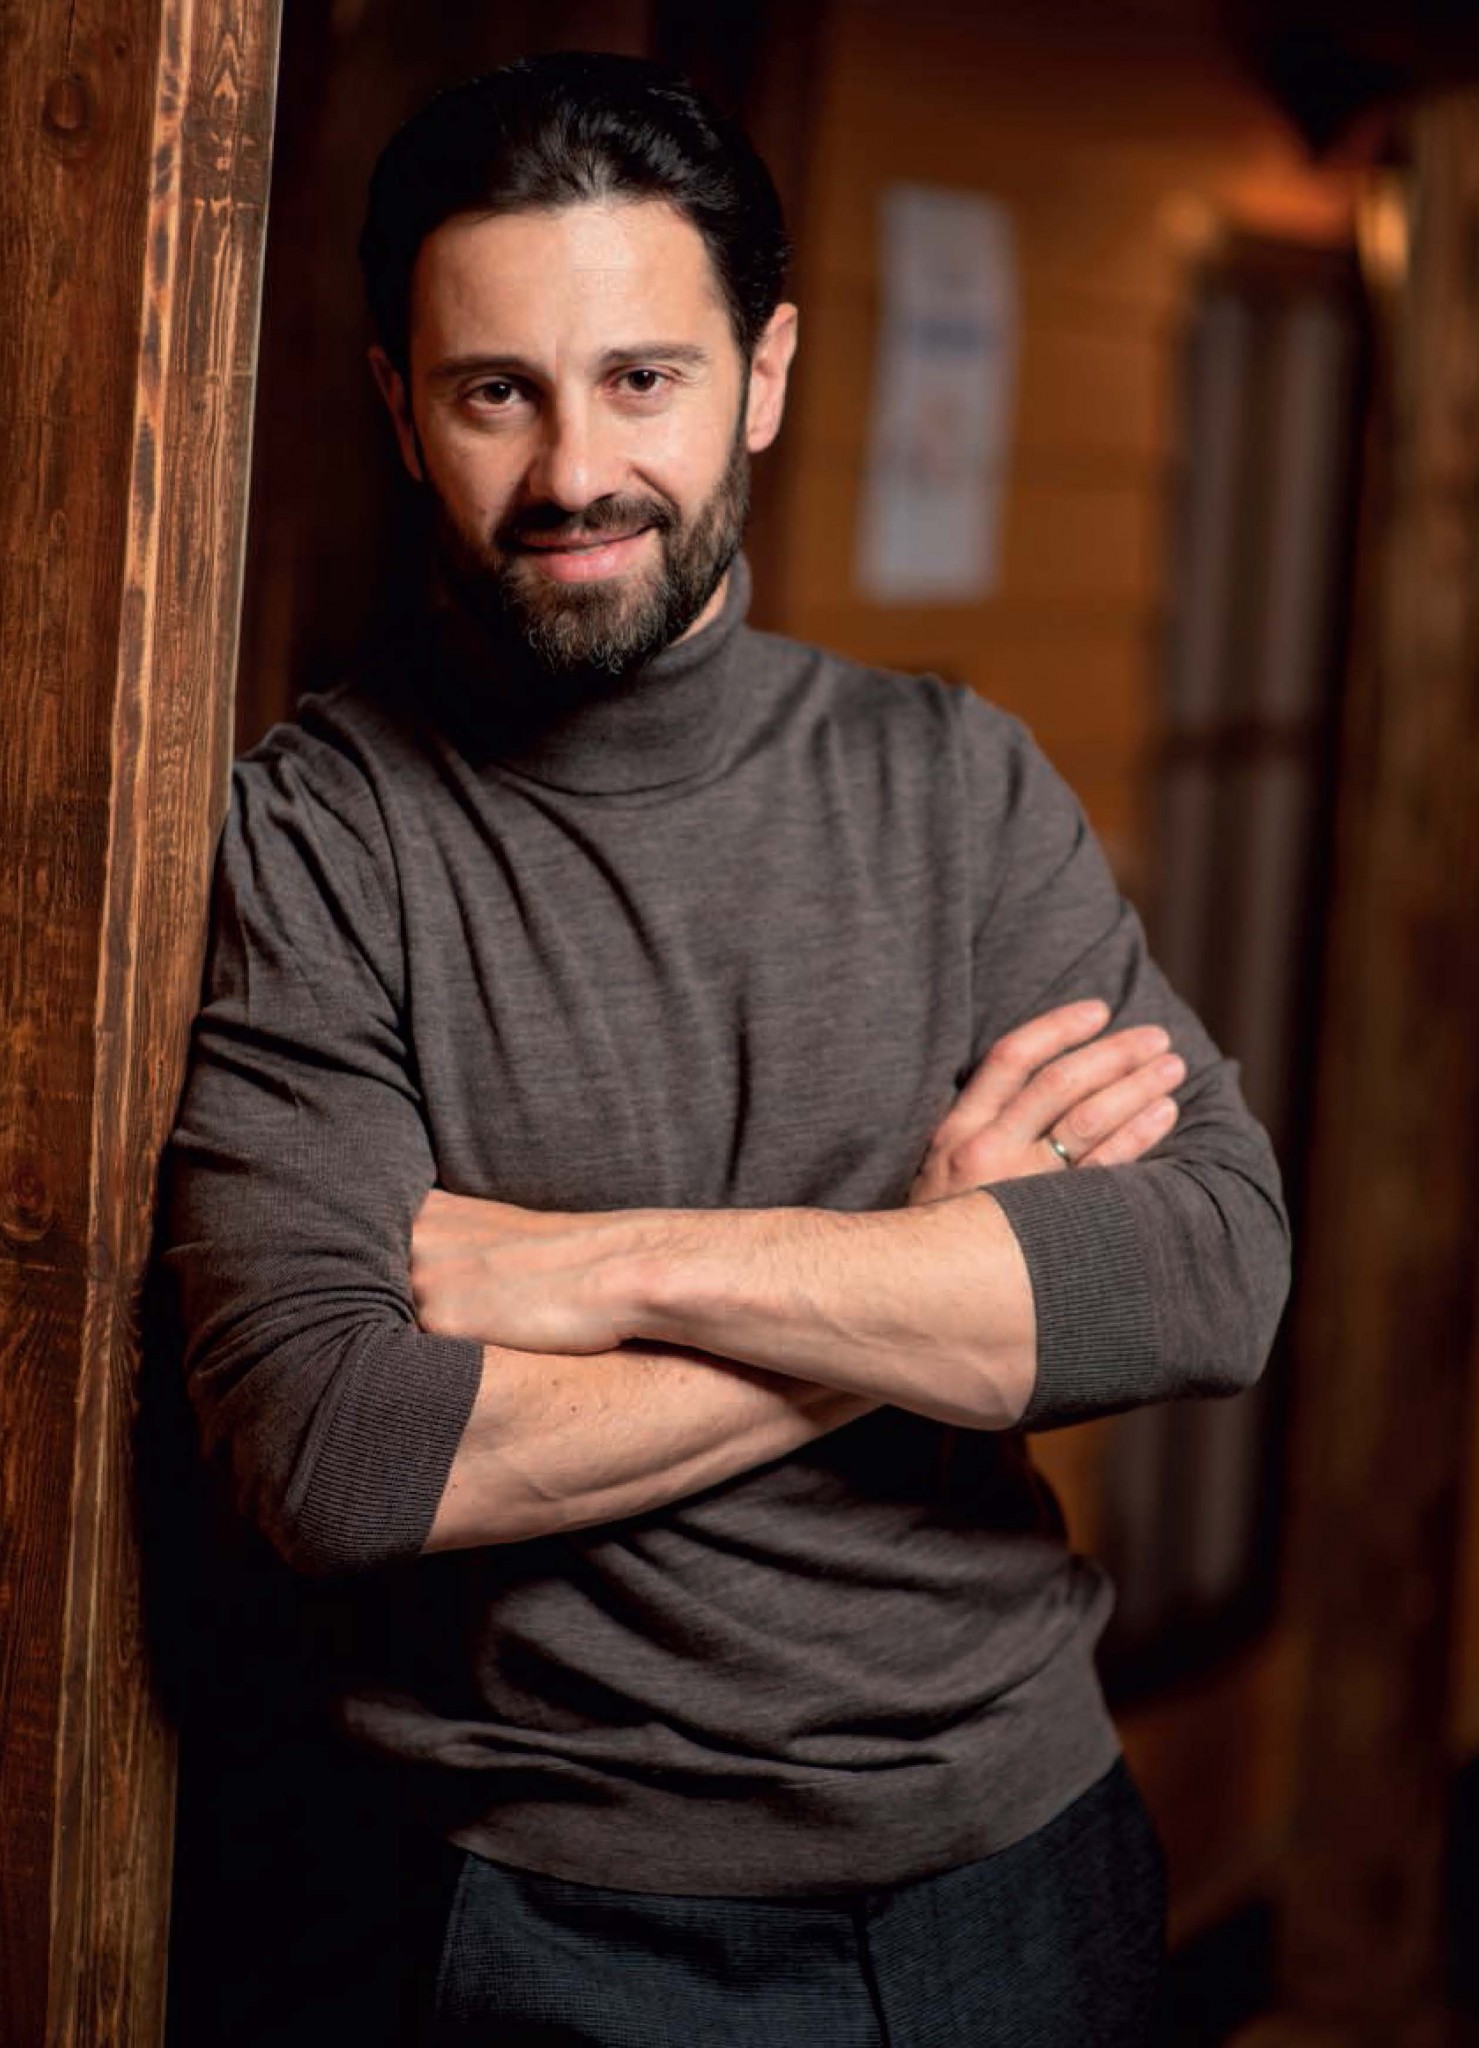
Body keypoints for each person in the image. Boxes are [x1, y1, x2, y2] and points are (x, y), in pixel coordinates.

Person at [163, 50, 1290, 2045]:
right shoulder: (322, 833)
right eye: (494, 391)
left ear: (761, 375)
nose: (571, 469)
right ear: (396, 407)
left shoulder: (951, 781)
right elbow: (335, 1446)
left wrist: (596, 1270)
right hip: (544, 1914)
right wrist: (928, 1271)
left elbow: (1210, 1269)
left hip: (1025, 1864)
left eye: (641, 379)